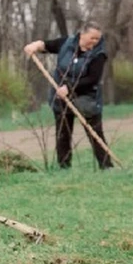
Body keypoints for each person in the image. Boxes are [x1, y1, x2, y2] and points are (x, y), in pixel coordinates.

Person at [23, 22, 112, 170]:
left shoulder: (99, 54)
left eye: (98, 39)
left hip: (86, 98)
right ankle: (64, 166)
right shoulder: (67, 43)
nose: (95, 42)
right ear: (82, 34)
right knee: (63, 134)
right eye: (92, 38)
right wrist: (35, 46)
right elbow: (47, 45)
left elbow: (92, 79)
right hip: (61, 98)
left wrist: (69, 88)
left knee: (95, 134)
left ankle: (106, 166)